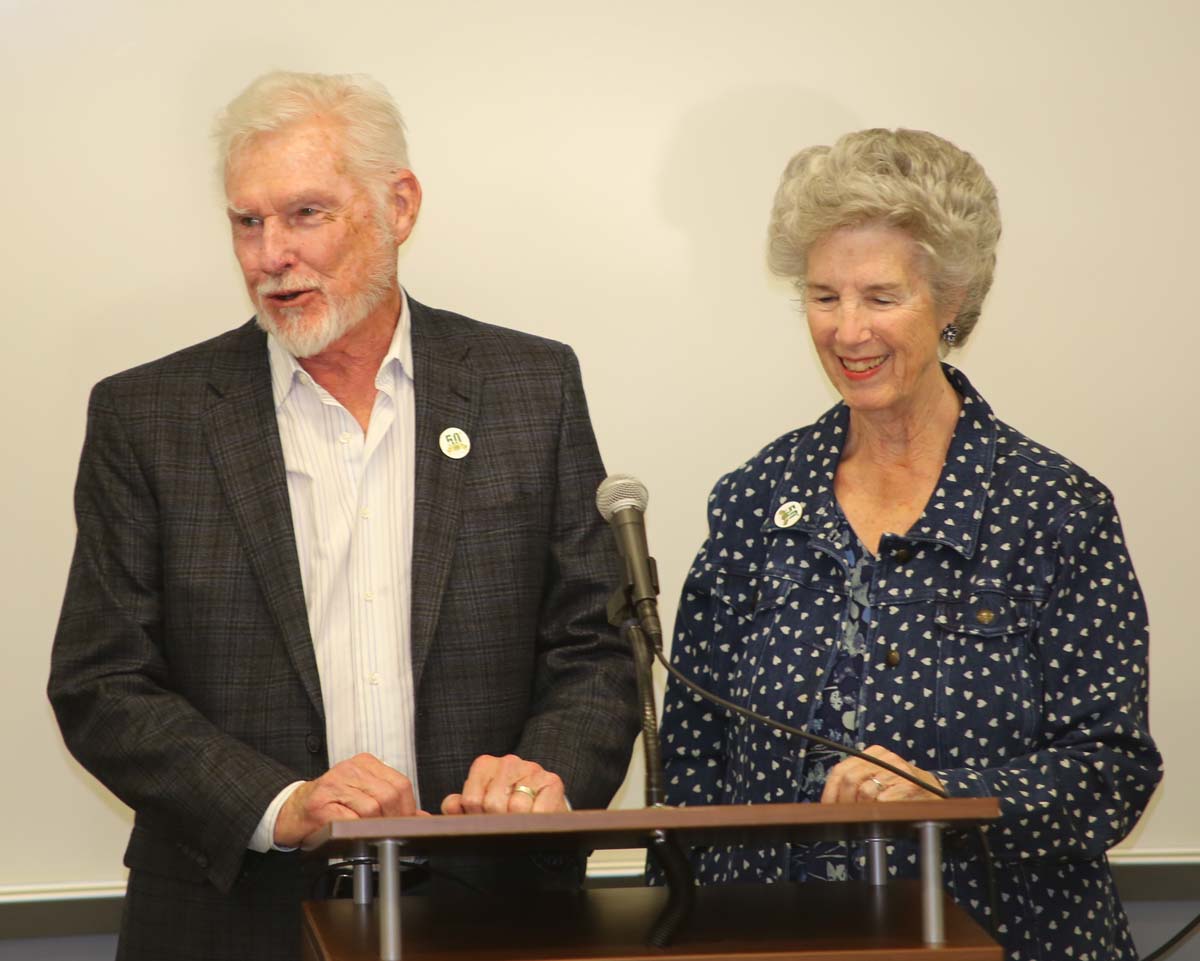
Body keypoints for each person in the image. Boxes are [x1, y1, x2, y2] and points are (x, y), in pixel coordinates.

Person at [48, 70, 638, 961]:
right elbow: (102, 682)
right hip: (232, 920)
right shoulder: (150, 416)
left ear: (398, 206)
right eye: (247, 222)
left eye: (305, 215)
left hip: (492, 911)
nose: (269, 255)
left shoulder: (530, 386)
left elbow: (596, 645)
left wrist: (542, 778)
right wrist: (283, 807)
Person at [658, 128, 1162, 960]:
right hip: (774, 942)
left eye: (881, 297)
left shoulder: (1054, 508)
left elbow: (1112, 769)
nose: (847, 331)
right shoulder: (755, 500)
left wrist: (949, 795)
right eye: (824, 296)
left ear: (952, 299)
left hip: (1007, 938)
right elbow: (692, 765)